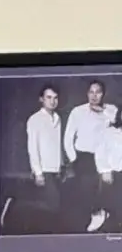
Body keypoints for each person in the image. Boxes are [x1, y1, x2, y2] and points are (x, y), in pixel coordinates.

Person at [64, 79, 118, 234]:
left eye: (98, 92)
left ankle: (102, 215)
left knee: (106, 187)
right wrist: (73, 159)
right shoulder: (77, 111)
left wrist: (103, 111)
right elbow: (68, 137)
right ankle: (94, 215)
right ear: (87, 94)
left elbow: (118, 125)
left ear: (103, 94)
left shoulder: (111, 110)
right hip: (84, 157)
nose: (94, 96)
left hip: (105, 157)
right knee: (86, 189)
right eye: (91, 92)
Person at [26, 85, 65, 221]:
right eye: (48, 97)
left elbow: (57, 144)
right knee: (54, 206)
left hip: (57, 169)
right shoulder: (35, 119)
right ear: (41, 99)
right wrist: (38, 173)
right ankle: (17, 205)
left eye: (55, 98)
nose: (52, 101)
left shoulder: (58, 118)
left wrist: (61, 166)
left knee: (56, 206)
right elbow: (33, 147)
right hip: (44, 169)